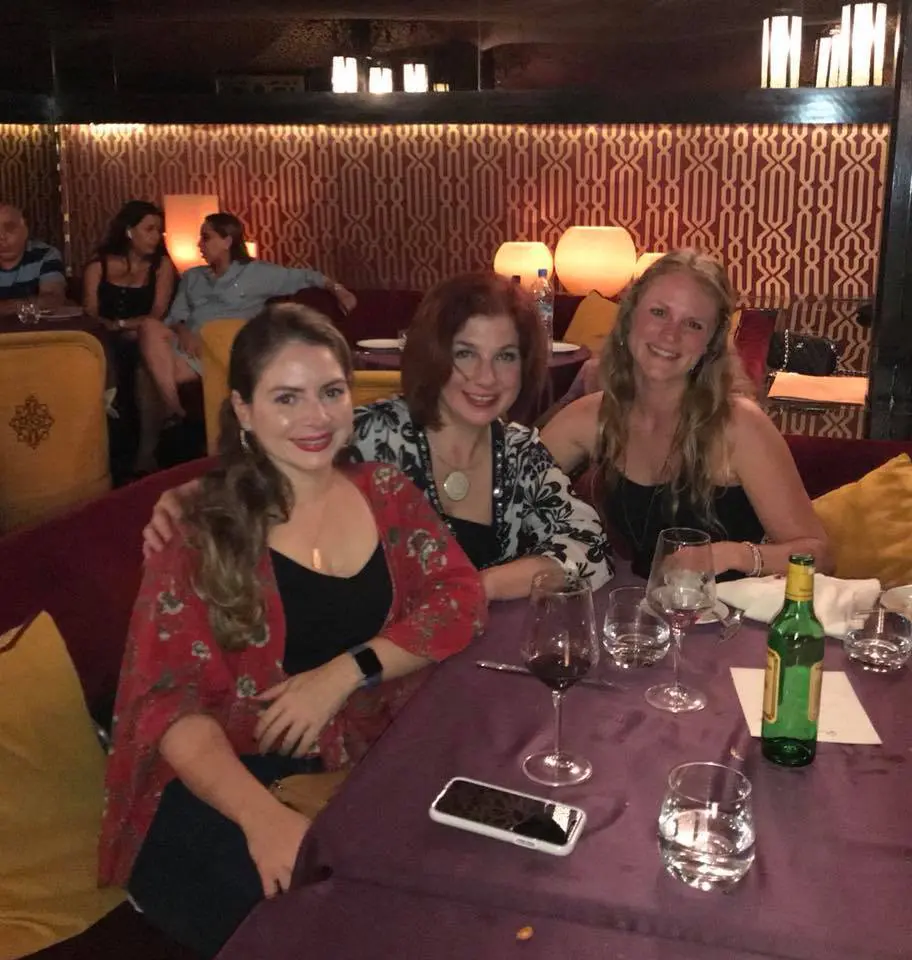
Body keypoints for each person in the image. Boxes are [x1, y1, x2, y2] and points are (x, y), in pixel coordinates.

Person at [99, 304, 485, 957]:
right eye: (287, 398)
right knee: (323, 930)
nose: (316, 417)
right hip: (222, 781)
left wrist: (346, 672)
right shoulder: (200, 527)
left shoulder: (384, 492)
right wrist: (263, 820)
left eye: (331, 392)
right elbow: (168, 706)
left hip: (351, 762)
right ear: (243, 410)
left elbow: (460, 596)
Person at [143, 272, 612, 600]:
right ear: (433, 354)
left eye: (505, 356)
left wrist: (477, 588)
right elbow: (273, 470)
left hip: (467, 662)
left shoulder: (519, 453)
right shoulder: (373, 435)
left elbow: (590, 551)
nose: (485, 377)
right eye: (465, 353)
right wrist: (198, 491)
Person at [541, 250, 831, 580]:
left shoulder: (739, 425)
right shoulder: (593, 416)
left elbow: (820, 556)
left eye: (693, 324)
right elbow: (511, 487)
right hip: (639, 607)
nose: (671, 334)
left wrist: (732, 554)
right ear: (629, 318)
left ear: (711, 343)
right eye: (659, 312)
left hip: (728, 610)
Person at [136, 212, 357, 469]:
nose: (199, 245)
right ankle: (174, 410)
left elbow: (307, 276)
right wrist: (183, 331)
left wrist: (338, 289)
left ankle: (148, 453)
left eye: (206, 238)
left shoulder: (257, 273)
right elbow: (175, 317)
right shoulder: (192, 277)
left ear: (227, 241)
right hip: (187, 346)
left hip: (221, 351)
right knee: (149, 328)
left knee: (145, 374)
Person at [82, 200, 177, 479]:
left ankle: (145, 453)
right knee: (103, 357)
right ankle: (103, 456)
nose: (156, 236)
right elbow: (91, 312)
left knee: (140, 361)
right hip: (104, 337)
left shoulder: (161, 266)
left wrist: (122, 325)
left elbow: (157, 313)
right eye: (149, 229)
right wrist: (111, 328)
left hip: (141, 337)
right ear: (128, 231)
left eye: (159, 230)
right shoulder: (99, 265)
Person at [0, 204, 66, 314]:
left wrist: (8, 307)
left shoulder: (46, 255)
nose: (1, 236)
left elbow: (53, 299)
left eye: (10, 229)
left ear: (25, 231)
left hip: (34, 324)